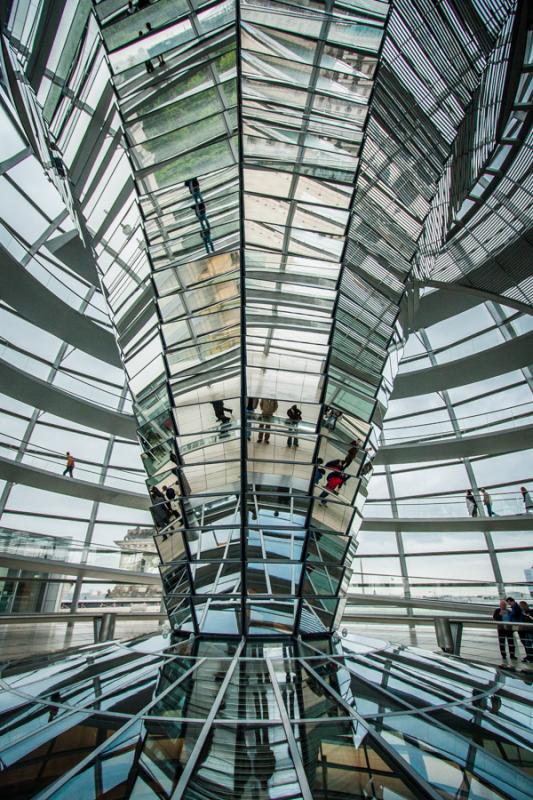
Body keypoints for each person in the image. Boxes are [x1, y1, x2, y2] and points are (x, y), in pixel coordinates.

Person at [493, 599, 516, 664]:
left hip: (508, 629)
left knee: (511, 642)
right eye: (502, 605)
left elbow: (512, 619)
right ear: (500, 605)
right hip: (501, 629)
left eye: (504, 605)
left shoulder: (508, 611)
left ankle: (512, 655)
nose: (503, 606)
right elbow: (495, 618)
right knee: (502, 642)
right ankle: (503, 655)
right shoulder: (497, 610)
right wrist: (500, 614)